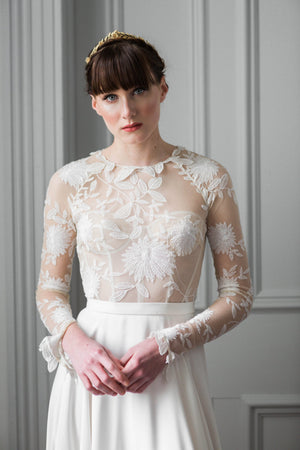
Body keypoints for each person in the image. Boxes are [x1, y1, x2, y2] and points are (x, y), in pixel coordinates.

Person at [36, 30, 253, 450]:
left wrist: (167, 344)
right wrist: (75, 344)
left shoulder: (208, 177)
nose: (128, 110)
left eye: (139, 90)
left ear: (163, 89)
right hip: (92, 372)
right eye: (111, 96)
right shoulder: (70, 181)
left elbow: (239, 294)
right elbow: (49, 291)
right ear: (95, 104)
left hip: (171, 366)